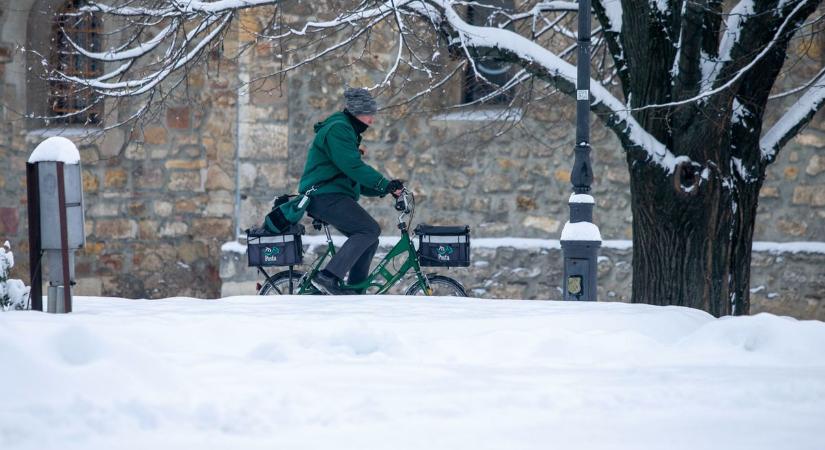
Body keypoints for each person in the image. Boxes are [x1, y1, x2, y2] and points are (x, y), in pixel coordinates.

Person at [299, 87, 404, 295]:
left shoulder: (346, 130)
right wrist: (383, 183)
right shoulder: (339, 129)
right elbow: (353, 167)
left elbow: (353, 177)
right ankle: (328, 277)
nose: (371, 121)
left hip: (331, 194)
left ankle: (355, 289)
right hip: (324, 195)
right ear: (357, 112)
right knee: (368, 230)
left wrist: (386, 188)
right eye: (369, 115)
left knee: (369, 236)